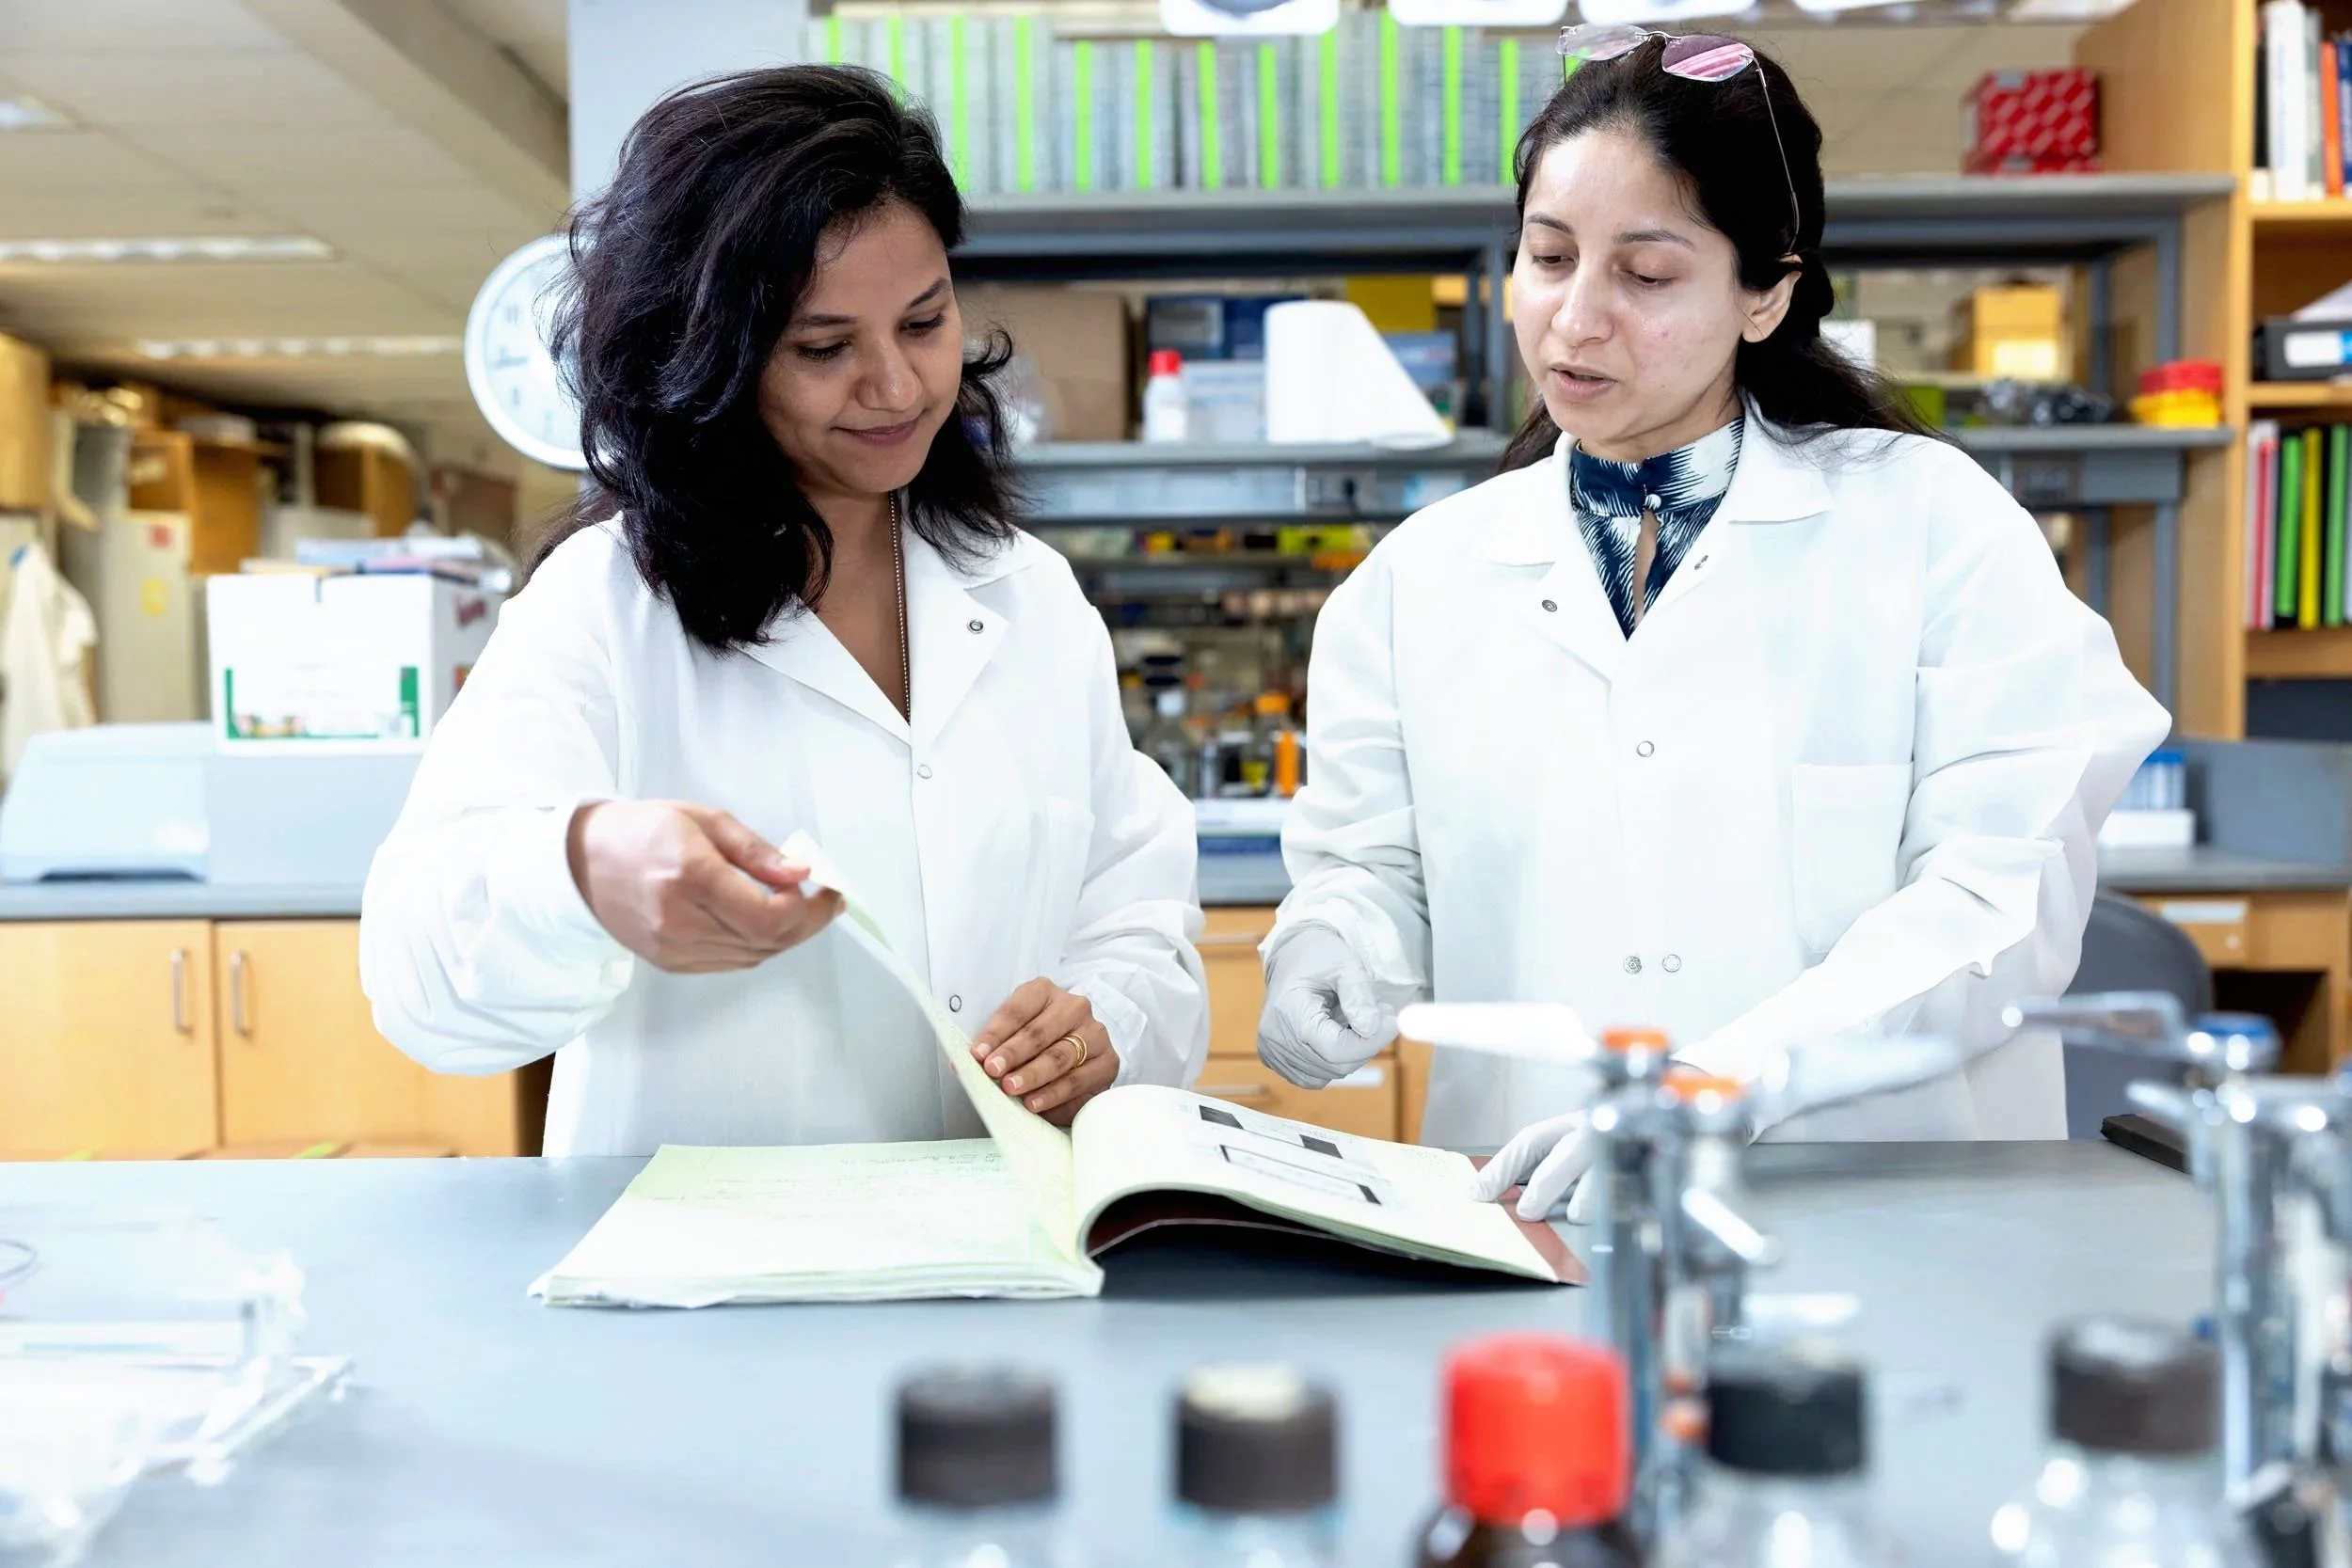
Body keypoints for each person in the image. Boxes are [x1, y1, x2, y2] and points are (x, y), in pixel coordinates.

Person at [1254, 28, 2168, 1219]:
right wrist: (1335, 948)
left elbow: (1999, 894)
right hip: (1536, 1216)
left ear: (1765, 294)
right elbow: (1372, 867)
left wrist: (1726, 1078)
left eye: (1644, 274)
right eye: (1547, 256)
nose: (1574, 321)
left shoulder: (1932, 524)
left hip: (1878, 1208)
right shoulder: (1411, 580)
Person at [360, 67, 1207, 1155]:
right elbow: (416, 985)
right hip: (708, 1284)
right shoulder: (605, 604)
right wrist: (581, 869)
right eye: (823, 348)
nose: (896, 386)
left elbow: (1137, 914)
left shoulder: (1028, 595)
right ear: (708, 350)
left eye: (924, 321)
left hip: (1003, 1248)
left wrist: (1104, 1023)